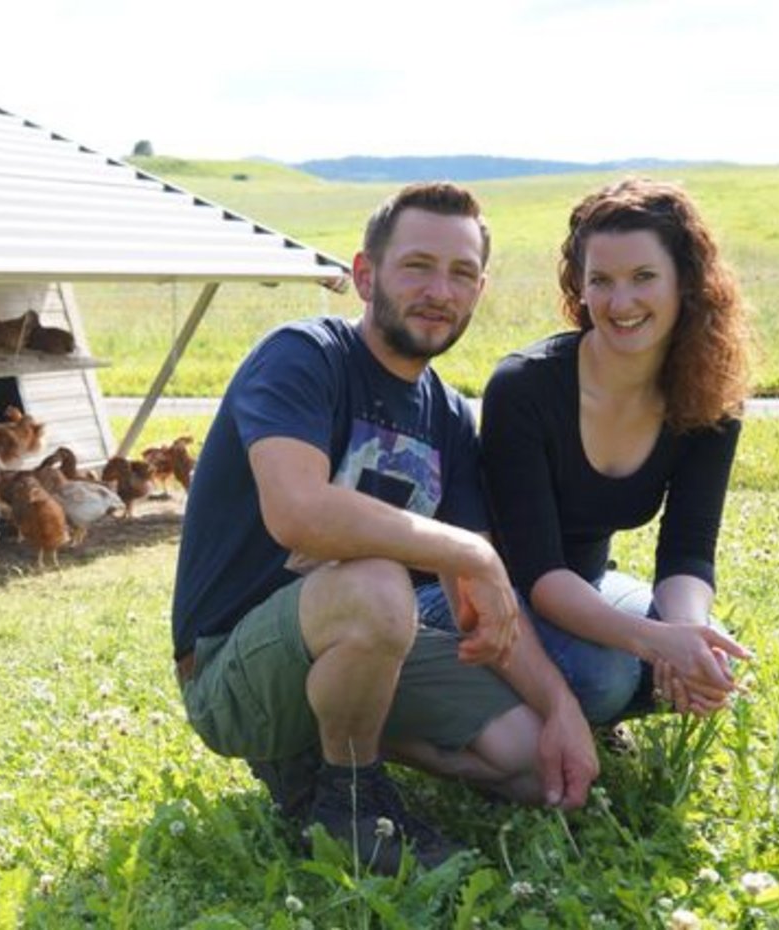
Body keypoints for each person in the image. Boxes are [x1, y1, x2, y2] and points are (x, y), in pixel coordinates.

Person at [170, 182, 599, 875]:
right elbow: (298, 512)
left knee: (528, 763)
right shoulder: (304, 356)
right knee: (376, 581)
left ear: (479, 290)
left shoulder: (450, 418)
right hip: (230, 668)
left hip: (357, 641)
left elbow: (473, 596)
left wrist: (561, 710)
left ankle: (326, 747)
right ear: (365, 276)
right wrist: (469, 549)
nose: (440, 290)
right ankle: (349, 802)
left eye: (461, 273)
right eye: (417, 266)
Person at [479, 178, 754, 727]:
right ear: (579, 287)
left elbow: (688, 551)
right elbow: (538, 573)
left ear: (687, 283)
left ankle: (573, 711)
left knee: (701, 660)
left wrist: (688, 633)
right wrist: (657, 642)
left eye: (644, 277)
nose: (620, 302)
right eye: (600, 281)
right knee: (608, 679)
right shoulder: (523, 388)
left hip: (588, 587)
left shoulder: (710, 395)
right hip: (496, 596)